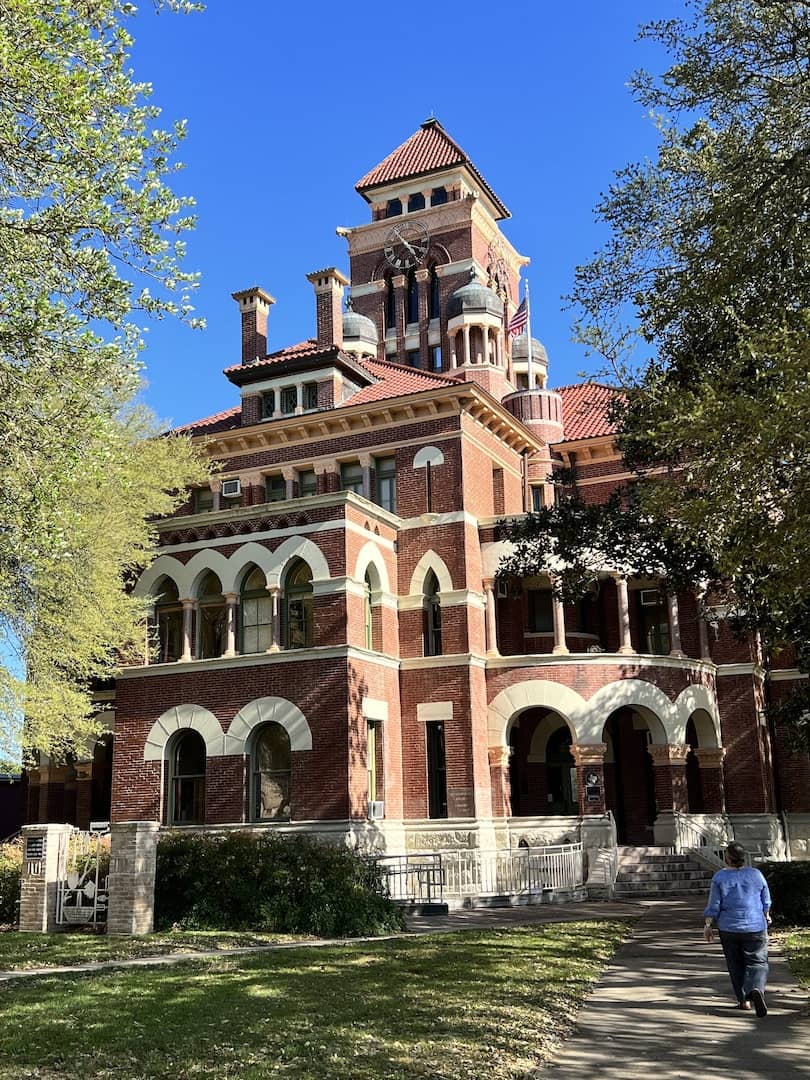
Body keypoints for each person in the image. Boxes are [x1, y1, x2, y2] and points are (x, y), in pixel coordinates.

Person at [703, 841, 772, 1017]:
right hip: (755, 925)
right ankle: (756, 987)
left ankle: (744, 1000)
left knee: (735, 963)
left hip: (729, 928)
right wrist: (766, 914)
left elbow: (714, 904)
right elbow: (766, 898)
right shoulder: (756, 874)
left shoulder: (720, 877)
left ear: (727, 858)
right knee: (758, 961)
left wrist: (708, 924)